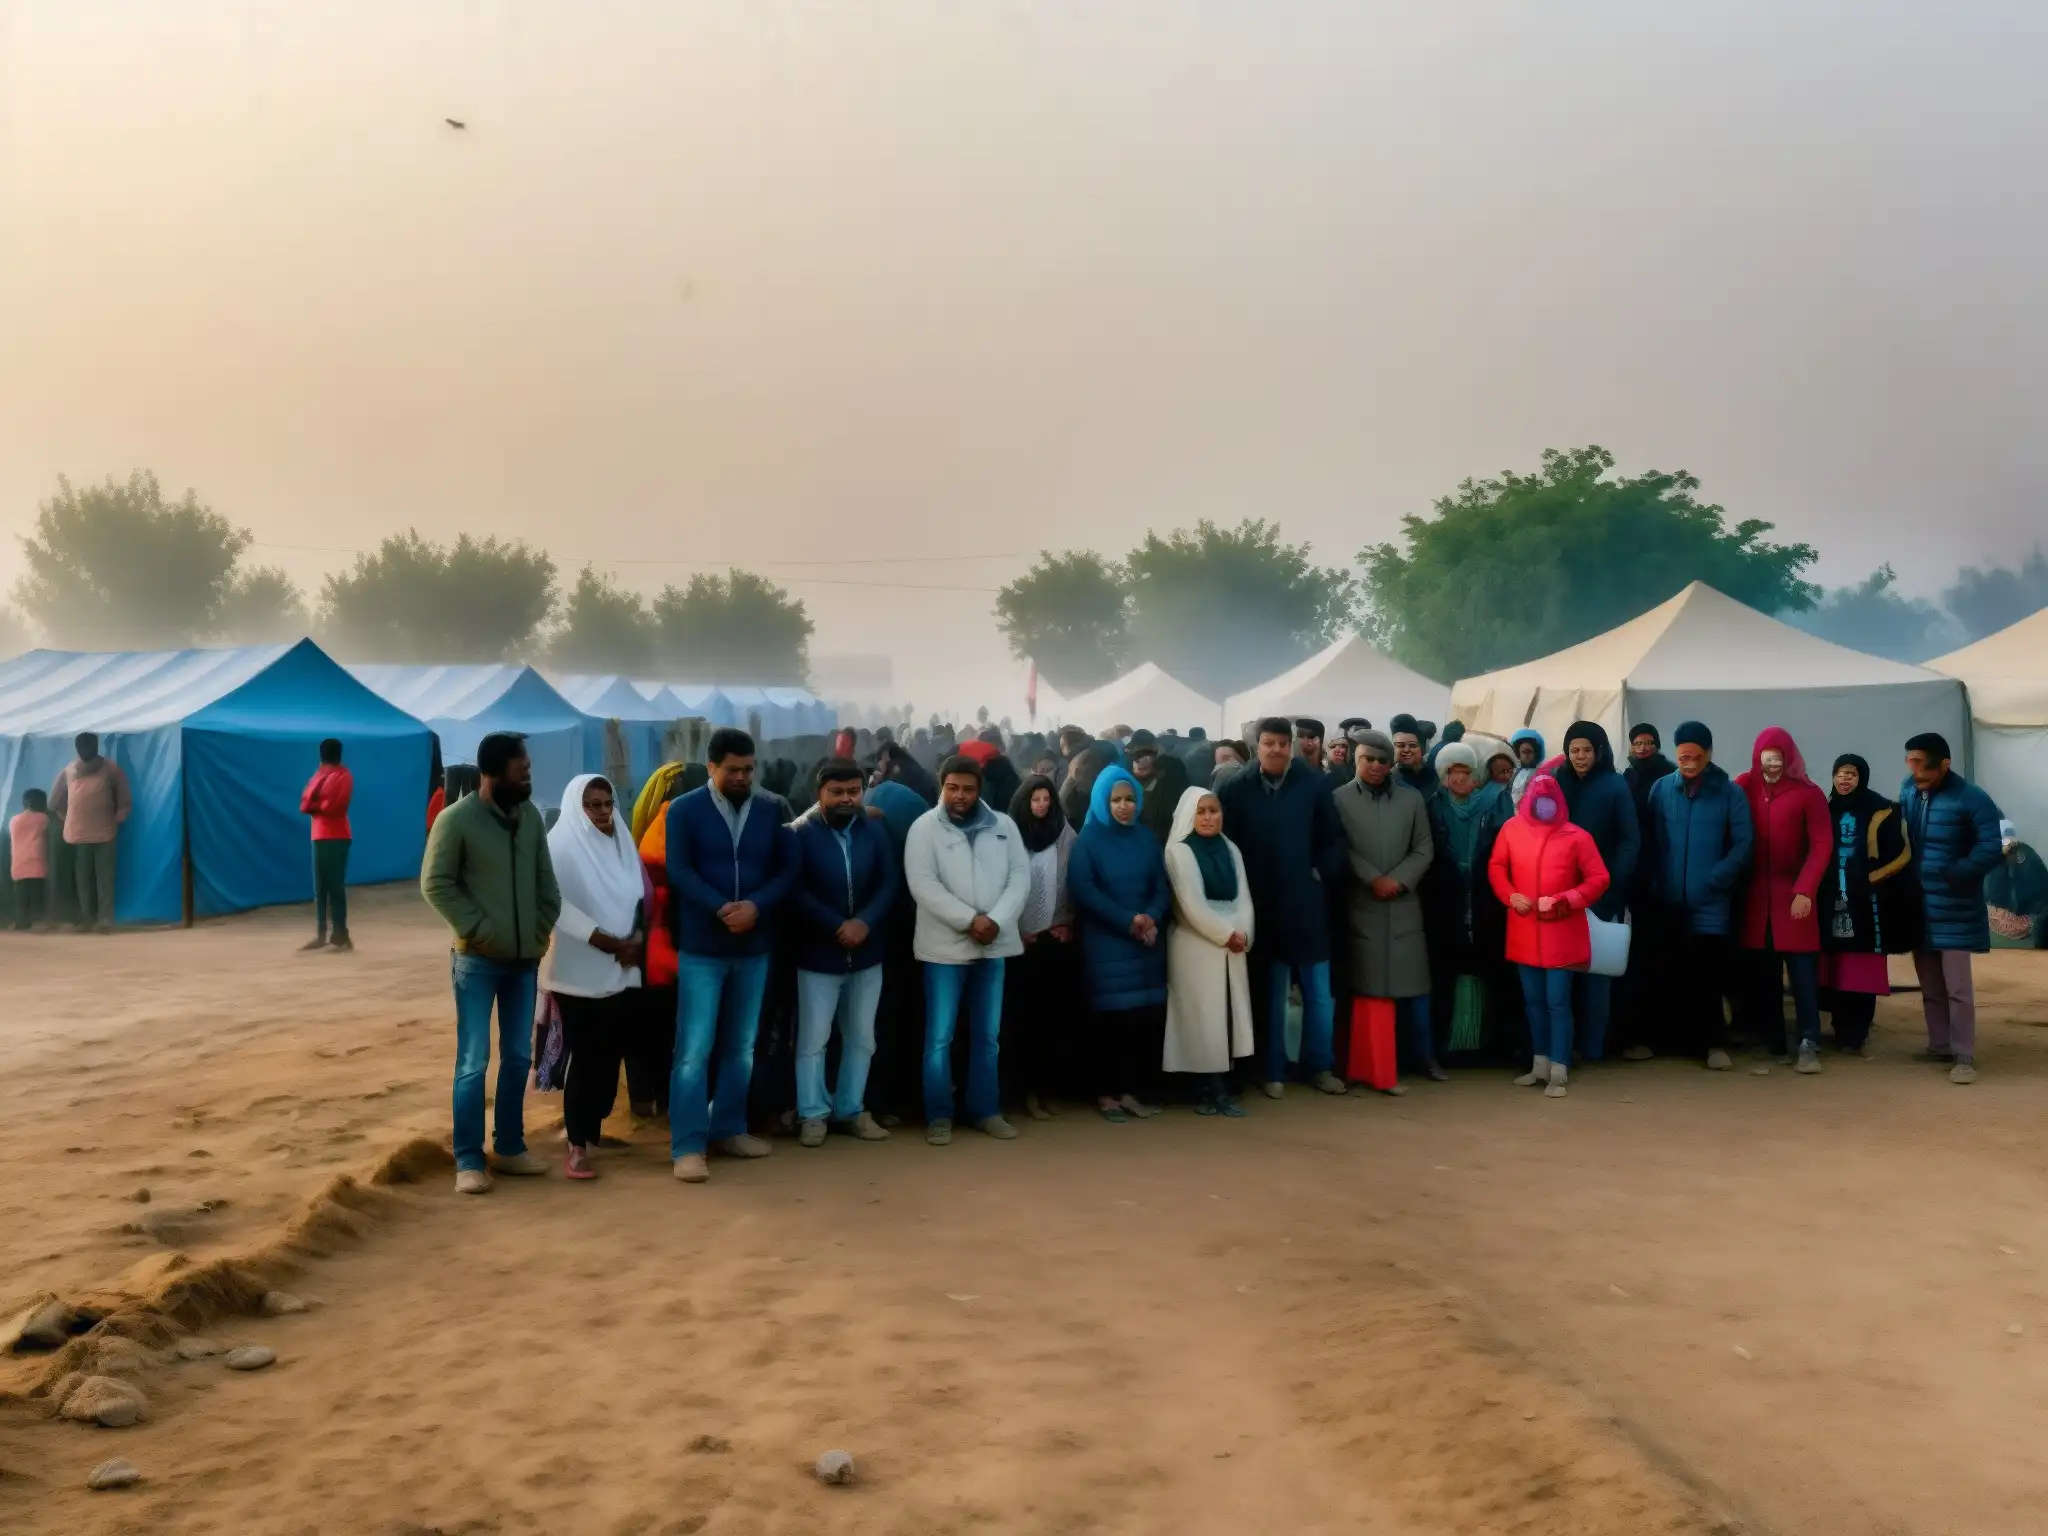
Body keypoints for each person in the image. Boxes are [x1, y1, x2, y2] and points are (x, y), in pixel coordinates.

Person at [421, 731, 561, 1194]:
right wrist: (478, 929)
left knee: (519, 1056)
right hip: (476, 962)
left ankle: (511, 1147)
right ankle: (468, 1159)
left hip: (524, 962)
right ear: (494, 773)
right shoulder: (456, 820)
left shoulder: (532, 819)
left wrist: (542, 926)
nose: (528, 779)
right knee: (473, 1061)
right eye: (521, 772)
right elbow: (436, 883)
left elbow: (546, 882)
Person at [663, 728, 796, 1183]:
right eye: (733, 770)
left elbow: (785, 869)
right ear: (712, 767)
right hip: (703, 946)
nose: (742, 777)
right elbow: (679, 870)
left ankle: (729, 1128)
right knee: (694, 1050)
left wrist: (756, 906)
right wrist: (721, 909)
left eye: (748, 769)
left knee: (741, 1047)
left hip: (753, 946)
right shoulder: (683, 810)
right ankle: (687, 1145)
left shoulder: (768, 810)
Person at [902, 754, 1031, 1144]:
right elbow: (923, 885)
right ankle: (939, 1114)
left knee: (987, 1035)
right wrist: (968, 920)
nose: (960, 796)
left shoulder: (1004, 826)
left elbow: (1019, 877)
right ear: (942, 786)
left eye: (968, 789)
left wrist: (996, 920)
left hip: (995, 945)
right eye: (953, 787)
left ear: (980, 790)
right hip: (944, 949)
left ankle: (985, 1110)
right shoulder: (923, 829)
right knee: (940, 1036)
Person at [1216, 717, 1348, 1098]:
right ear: (1257, 747)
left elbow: (1333, 838)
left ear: (1291, 747)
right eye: (1269, 743)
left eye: (1282, 744)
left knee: (1318, 995)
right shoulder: (1235, 788)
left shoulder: (1314, 784)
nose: (1276, 750)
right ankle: (1273, 1070)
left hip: (1307, 907)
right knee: (1272, 995)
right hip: (1262, 909)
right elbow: (1226, 845)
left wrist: (1320, 874)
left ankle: (1319, 1067)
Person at [788, 758, 898, 1147]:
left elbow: (889, 881)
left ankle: (851, 1108)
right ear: (819, 793)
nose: (846, 799)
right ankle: (813, 1114)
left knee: (862, 1038)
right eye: (836, 792)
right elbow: (795, 889)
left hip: (867, 953)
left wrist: (865, 922)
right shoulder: (800, 834)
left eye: (853, 791)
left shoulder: (874, 829)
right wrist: (836, 925)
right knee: (813, 1039)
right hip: (819, 953)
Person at [542, 775, 647, 1180]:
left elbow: (637, 894)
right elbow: (556, 905)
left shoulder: (621, 841)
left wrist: (633, 940)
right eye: (593, 805)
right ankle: (577, 1143)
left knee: (610, 1055)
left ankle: (592, 1127)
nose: (603, 812)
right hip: (577, 970)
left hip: (621, 967)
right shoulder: (560, 846)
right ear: (576, 806)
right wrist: (607, 942)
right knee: (586, 1058)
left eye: (608, 803)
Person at [1488, 772, 1610, 1098]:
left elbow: (1598, 879)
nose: (1544, 808)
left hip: (1562, 934)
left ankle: (1560, 1065)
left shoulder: (1577, 837)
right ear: (1528, 800)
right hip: (1525, 931)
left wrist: (1565, 899)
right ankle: (1539, 1063)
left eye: (1549, 802)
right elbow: (1497, 868)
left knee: (1557, 1002)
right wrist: (1510, 895)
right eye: (1538, 801)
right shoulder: (1511, 830)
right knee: (1534, 1002)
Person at [1644, 722, 1753, 1070]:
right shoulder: (1661, 789)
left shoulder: (1730, 793)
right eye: (1682, 757)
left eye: (1695, 756)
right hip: (1670, 898)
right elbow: (1653, 841)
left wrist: (1716, 879)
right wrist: (1659, 882)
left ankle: (1714, 1045)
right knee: (1673, 971)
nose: (1688, 763)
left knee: (1708, 975)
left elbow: (1743, 843)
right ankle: (1677, 1041)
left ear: (1708, 754)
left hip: (1711, 901)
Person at [1332, 730, 1440, 1084]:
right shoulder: (1338, 799)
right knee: (1365, 992)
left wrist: (1398, 880)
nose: (1376, 766)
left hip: (1404, 904)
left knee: (1416, 990)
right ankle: (1365, 1067)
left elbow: (1424, 848)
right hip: (1361, 906)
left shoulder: (1411, 801)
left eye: (1382, 760)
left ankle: (1424, 1060)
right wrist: (1372, 878)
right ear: (1355, 760)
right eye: (1368, 759)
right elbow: (1340, 848)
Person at [1067, 765, 1173, 1121]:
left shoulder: (1145, 839)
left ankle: (1129, 1092)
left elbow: (1161, 885)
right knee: (1108, 1025)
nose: (1124, 806)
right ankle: (1105, 1095)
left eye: (1130, 799)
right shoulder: (1088, 842)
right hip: (1106, 947)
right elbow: (1085, 892)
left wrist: (1151, 917)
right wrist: (1128, 921)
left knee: (1137, 1024)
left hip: (1144, 947)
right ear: (1102, 802)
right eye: (1116, 800)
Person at [1899, 732, 2004, 1084]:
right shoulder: (1909, 790)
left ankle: (1963, 1055)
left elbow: (1998, 841)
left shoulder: (1972, 798)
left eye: (1922, 765)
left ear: (1944, 764)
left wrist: (1960, 873)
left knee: (1957, 987)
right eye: (1910, 763)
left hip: (1956, 905)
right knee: (1929, 983)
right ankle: (1939, 1044)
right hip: (1920, 905)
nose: (1916, 772)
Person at [1733, 727, 1832, 1073]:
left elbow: (1821, 845)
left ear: (1788, 758)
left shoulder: (1809, 793)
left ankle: (1808, 1039)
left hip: (1795, 897)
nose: (1772, 766)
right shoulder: (1744, 786)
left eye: (1778, 759)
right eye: (1766, 759)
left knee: (1803, 973)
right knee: (1765, 974)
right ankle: (1773, 1038)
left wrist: (1805, 889)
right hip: (1756, 898)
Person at [1163, 786, 1255, 1115]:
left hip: (1232, 944)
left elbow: (1243, 895)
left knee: (1225, 1018)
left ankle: (1220, 1086)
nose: (1208, 817)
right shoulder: (1179, 851)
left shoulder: (1230, 848)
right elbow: (1190, 904)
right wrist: (1226, 933)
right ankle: (1206, 1088)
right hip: (1196, 946)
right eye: (1201, 811)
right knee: (1201, 1019)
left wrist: (1242, 933)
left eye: (1213, 810)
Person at [1818, 754, 1917, 1054]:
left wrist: (1873, 880)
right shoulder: (1824, 807)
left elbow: (1901, 853)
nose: (1844, 779)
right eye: (1839, 774)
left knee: (1858, 964)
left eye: (1851, 774)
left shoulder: (1880, 809)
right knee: (1833, 963)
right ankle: (1838, 1026)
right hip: (1831, 898)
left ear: (1862, 777)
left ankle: (1856, 1031)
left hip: (1866, 902)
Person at [1552, 722, 1639, 1062]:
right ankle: (1566, 1046)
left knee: (1597, 975)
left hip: (1603, 894)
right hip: (1562, 894)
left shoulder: (1615, 785)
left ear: (1599, 751)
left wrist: (1612, 887)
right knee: (1562, 975)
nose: (1580, 757)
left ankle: (1594, 1047)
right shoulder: (1558, 783)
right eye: (1574, 750)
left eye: (1587, 750)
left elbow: (1629, 840)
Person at [1421, 743, 1512, 1056]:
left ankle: (1493, 1042)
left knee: (1493, 966)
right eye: (1451, 771)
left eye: (1464, 770)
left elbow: (1506, 844)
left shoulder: (1496, 799)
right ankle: (1447, 1042)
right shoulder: (1434, 804)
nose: (1459, 778)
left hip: (1489, 895)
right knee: (1445, 969)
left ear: (1476, 772)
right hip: (1446, 899)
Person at [1006, 773, 1077, 1120]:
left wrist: (1067, 921)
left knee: (1052, 1019)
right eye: (1035, 800)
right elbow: (1003, 887)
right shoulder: (1009, 836)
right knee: (1022, 1021)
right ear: (1024, 801)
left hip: (1053, 941)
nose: (1042, 805)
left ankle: (1048, 1088)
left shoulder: (1065, 835)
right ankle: (1024, 1092)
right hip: (1019, 946)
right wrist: (1015, 929)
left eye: (1047, 799)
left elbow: (1071, 884)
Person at [48, 732, 131, 932]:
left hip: (103, 832)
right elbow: (54, 803)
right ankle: (89, 919)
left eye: (88, 746)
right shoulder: (70, 771)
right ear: (77, 749)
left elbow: (124, 799)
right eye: (82, 747)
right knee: (86, 878)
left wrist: (118, 817)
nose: (84, 751)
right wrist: (68, 819)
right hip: (82, 833)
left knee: (101, 877)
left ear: (96, 746)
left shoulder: (110, 769)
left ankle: (104, 919)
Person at [298, 738, 355, 952]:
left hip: (336, 836)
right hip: (321, 836)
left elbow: (334, 807)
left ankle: (340, 933)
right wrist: (320, 804)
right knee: (321, 888)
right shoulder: (324, 775)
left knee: (334, 886)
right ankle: (323, 934)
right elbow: (305, 804)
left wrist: (317, 804)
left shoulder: (341, 776)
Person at [10, 788, 51, 931]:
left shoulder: (14, 820)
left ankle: (21, 922)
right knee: (36, 898)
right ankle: (38, 923)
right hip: (36, 864)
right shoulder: (43, 819)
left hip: (18, 866)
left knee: (21, 900)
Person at [1390, 715, 1439, 798]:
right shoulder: (1388, 778)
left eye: (1412, 745)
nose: (1406, 750)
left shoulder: (1433, 777)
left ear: (1422, 748)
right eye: (1400, 745)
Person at [1508, 729, 1546, 806]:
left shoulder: (1538, 776)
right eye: (1523, 752)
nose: (1526, 756)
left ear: (1536, 754)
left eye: (1529, 752)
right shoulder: (1513, 770)